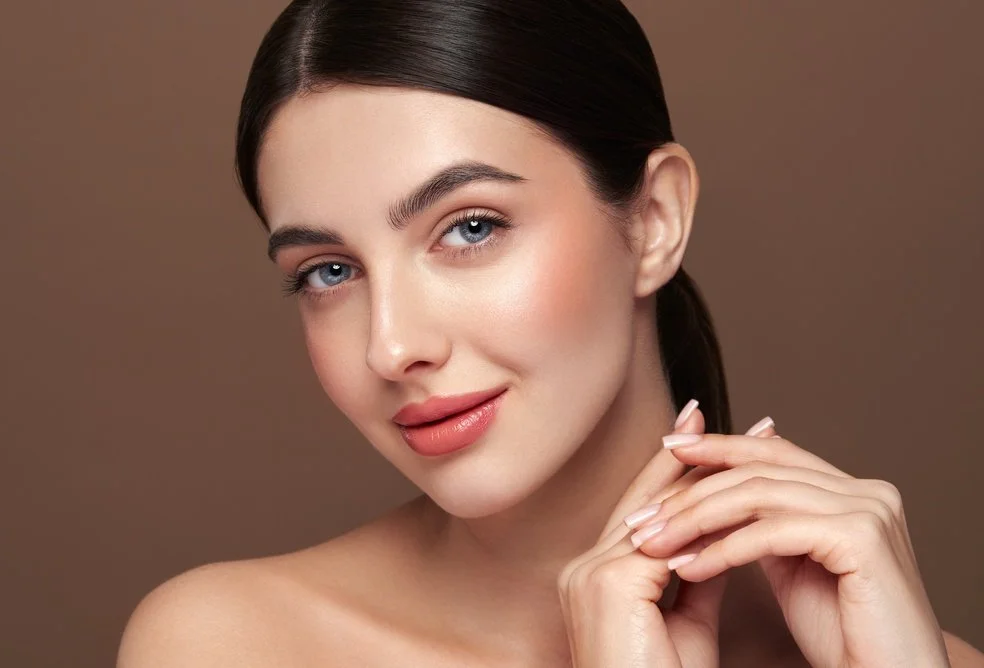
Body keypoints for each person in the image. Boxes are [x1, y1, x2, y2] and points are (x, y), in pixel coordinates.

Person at [117, 1, 984, 666]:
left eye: (470, 227)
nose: (391, 347)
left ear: (652, 220)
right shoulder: (233, 644)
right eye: (328, 272)